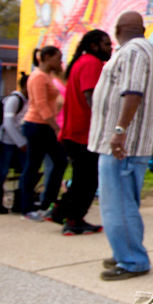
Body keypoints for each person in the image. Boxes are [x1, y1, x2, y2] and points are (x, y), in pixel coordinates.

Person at [88, 11, 153, 281]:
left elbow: (132, 93)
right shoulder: (147, 50)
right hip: (130, 144)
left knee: (117, 204)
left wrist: (119, 131)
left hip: (123, 145)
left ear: (118, 29)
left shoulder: (133, 51)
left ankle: (132, 260)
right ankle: (127, 251)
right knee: (124, 202)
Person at [53, 29, 112, 235]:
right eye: (107, 44)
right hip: (83, 133)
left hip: (76, 131)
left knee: (80, 177)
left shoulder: (82, 62)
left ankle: (60, 211)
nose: (110, 48)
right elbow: (91, 97)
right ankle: (74, 219)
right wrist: (105, 125)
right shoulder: (91, 63)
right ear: (94, 45)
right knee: (87, 180)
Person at [15, 46, 69, 219]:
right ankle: (27, 206)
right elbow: (40, 104)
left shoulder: (46, 76)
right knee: (33, 165)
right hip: (38, 125)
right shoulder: (38, 77)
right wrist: (54, 126)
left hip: (43, 125)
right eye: (57, 58)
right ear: (46, 57)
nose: (60, 62)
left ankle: (47, 201)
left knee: (59, 161)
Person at [0, 72, 30, 214]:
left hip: (20, 141)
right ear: (25, 85)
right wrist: (20, 142)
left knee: (24, 170)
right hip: (6, 141)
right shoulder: (14, 100)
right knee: (2, 170)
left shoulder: (28, 100)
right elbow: (8, 123)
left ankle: (19, 202)